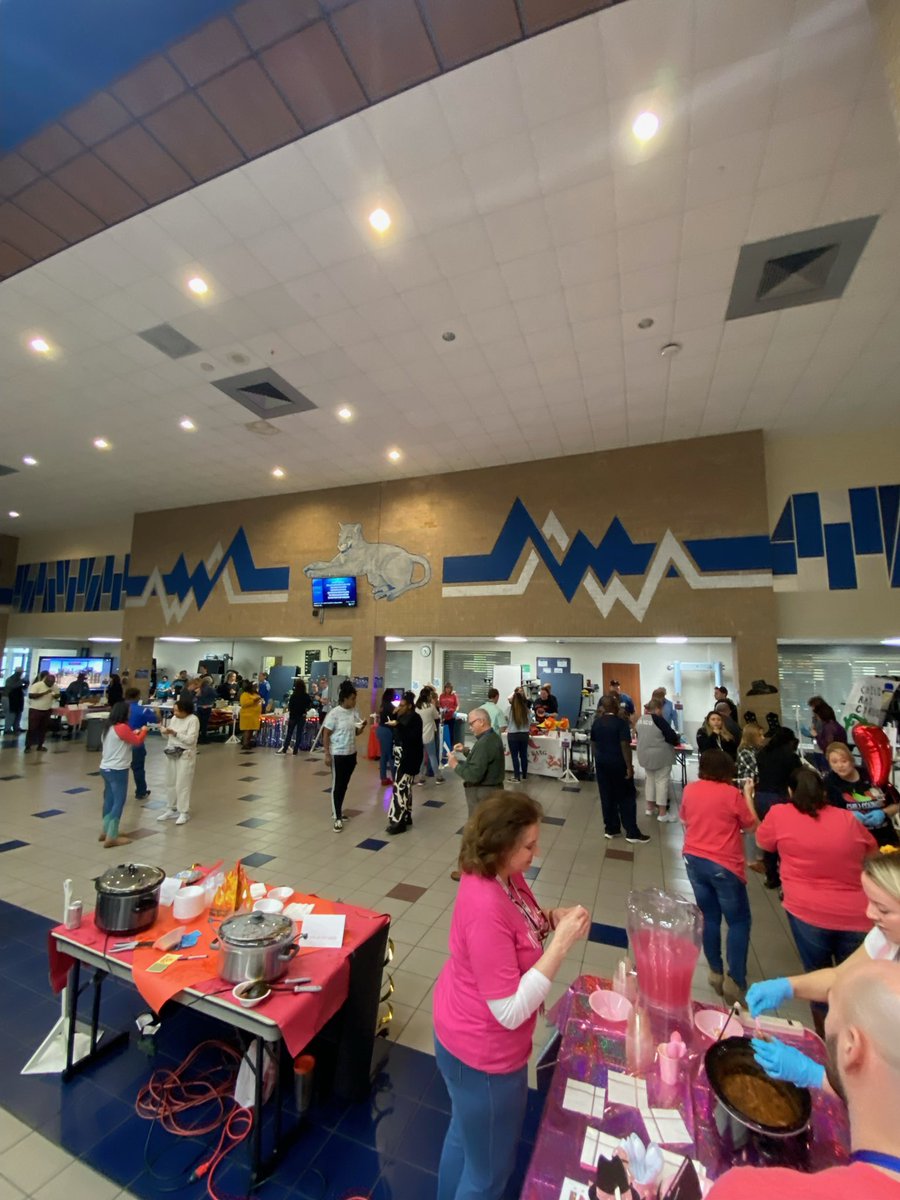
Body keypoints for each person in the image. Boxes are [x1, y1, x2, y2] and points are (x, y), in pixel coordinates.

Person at [433, 791, 590, 1200]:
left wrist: (549, 920)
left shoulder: (504, 875)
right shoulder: (484, 903)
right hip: (482, 1055)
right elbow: (508, 1009)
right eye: (529, 846)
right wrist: (560, 947)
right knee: (488, 1174)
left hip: (459, 1033)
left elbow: (518, 927)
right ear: (502, 846)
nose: (536, 853)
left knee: (462, 1137)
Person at [708, 958, 900, 1199]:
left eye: (830, 1004)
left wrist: (811, 1072)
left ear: (851, 1048)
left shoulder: (742, 1191)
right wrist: (814, 1075)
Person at [745, 850, 900, 1095]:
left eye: (883, 909)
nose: (870, 914)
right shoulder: (887, 937)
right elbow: (841, 978)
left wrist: (814, 1075)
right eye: (870, 902)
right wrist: (788, 985)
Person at [752, 769, 877, 1033]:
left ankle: (827, 1038)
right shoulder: (847, 819)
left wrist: (747, 798)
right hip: (857, 914)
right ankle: (855, 1036)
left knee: (817, 974)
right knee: (855, 980)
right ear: (823, 793)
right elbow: (873, 854)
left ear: (789, 793)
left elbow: (763, 841)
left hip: (806, 911)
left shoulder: (780, 815)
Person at [681, 749, 756, 1005]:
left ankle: (715, 971)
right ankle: (735, 980)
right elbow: (751, 825)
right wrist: (747, 795)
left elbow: (684, 819)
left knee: (709, 917)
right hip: (724, 865)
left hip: (693, 860)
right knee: (738, 921)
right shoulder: (731, 794)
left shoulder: (690, 790)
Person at [447, 709, 506, 880]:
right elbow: (480, 760)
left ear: (482, 721)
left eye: (472, 723)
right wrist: (465, 750)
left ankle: (470, 870)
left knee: (475, 834)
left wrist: (455, 765)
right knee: (485, 833)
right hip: (489, 792)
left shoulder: (486, 742)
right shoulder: (490, 738)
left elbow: (473, 774)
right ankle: (483, 868)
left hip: (483, 794)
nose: (470, 727)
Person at [590, 695, 649, 844]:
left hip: (602, 764)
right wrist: (629, 766)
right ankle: (631, 832)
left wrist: (599, 758)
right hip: (618, 764)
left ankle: (611, 828)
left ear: (602, 707)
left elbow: (593, 744)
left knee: (607, 796)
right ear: (615, 706)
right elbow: (625, 746)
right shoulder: (620, 723)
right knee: (626, 797)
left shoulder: (596, 723)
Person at [825, 741, 900, 849]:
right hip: (853, 841)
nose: (840, 766)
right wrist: (846, 816)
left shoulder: (872, 775)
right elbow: (826, 813)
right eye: (834, 762)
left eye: (844, 761)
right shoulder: (829, 783)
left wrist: (883, 813)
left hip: (884, 837)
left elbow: (897, 803)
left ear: (851, 760)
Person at [755, 725, 802, 890]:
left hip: (761, 797)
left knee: (770, 839)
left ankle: (771, 876)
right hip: (780, 797)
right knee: (785, 839)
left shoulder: (762, 753)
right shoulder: (791, 757)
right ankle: (786, 875)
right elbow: (798, 777)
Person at [98, 700, 149, 847]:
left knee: (109, 799)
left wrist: (133, 733)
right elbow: (137, 742)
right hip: (118, 770)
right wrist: (144, 731)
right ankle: (112, 837)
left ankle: (106, 830)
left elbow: (123, 739)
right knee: (119, 801)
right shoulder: (122, 727)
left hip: (105, 767)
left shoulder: (108, 727)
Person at [321, 680, 364, 832]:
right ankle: (337, 816)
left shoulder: (354, 712)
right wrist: (327, 753)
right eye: (352, 698)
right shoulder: (334, 713)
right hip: (337, 754)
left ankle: (337, 809)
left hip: (351, 753)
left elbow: (356, 732)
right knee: (337, 785)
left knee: (344, 785)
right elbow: (325, 734)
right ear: (344, 698)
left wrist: (362, 728)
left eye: (355, 698)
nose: (354, 701)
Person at [156, 695, 200, 826]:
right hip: (171, 752)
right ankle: (171, 808)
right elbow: (167, 737)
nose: (175, 713)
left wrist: (175, 733)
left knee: (183, 783)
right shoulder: (174, 719)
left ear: (185, 710)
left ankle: (183, 812)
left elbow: (191, 740)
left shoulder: (193, 720)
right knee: (170, 781)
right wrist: (164, 731)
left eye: (177, 711)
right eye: (174, 710)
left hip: (185, 754)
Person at [635, 697, 680, 822]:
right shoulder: (659, 720)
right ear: (658, 709)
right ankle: (662, 813)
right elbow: (672, 737)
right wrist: (676, 739)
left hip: (644, 756)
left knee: (649, 780)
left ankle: (649, 808)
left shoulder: (640, 719)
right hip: (661, 757)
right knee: (662, 782)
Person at [386, 691, 424, 834]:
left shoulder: (414, 719)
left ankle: (398, 821)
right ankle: (406, 815)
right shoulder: (402, 716)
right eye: (399, 705)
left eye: (402, 705)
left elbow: (410, 737)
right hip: (401, 756)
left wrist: (398, 725)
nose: (399, 707)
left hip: (409, 757)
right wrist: (396, 717)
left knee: (400, 787)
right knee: (405, 786)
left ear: (409, 706)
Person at [735, 722, 766, 874]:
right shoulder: (746, 752)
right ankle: (752, 859)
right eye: (760, 734)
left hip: (754, 790)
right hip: (749, 790)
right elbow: (752, 774)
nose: (763, 737)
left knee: (756, 822)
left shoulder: (757, 750)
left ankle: (759, 855)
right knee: (751, 825)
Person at [124, 686, 158, 800]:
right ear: (138, 696)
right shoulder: (142, 710)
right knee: (138, 768)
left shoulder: (119, 708)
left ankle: (116, 793)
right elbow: (157, 720)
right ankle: (141, 791)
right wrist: (157, 710)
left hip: (119, 741)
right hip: (136, 741)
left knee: (118, 767)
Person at [25, 671, 59, 752]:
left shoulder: (54, 686)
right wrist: (45, 693)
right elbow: (31, 696)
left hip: (47, 710)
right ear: (45, 680)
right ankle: (28, 747)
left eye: (53, 682)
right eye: (49, 682)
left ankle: (40, 746)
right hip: (35, 709)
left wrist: (55, 696)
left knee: (43, 729)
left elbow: (58, 695)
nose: (51, 684)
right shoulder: (37, 685)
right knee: (32, 729)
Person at [416, 686, 443, 785]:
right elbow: (437, 716)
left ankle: (421, 778)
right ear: (428, 696)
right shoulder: (430, 707)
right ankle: (438, 777)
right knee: (432, 756)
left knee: (421, 758)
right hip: (429, 735)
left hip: (419, 736)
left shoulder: (417, 707)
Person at [279, 678, 313, 755]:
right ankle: (295, 750)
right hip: (301, 716)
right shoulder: (306, 696)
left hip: (293, 716)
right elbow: (310, 705)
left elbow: (290, 706)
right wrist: (305, 710)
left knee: (289, 733)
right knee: (299, 733)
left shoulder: (293, 696)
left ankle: (285, 749)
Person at [505, 688, 532, 783]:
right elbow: (530, 723)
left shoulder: (509, 710)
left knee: (515, 757)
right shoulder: (527, 710)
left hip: (513, 735)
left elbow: (506, 721)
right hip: (524, 735)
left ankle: (517, 777)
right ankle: (524, 775)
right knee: (523, 755)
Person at [375, 687, 396, 783]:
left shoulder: (382, 705)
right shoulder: (391, 707)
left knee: (383, 755)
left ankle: (383, 777)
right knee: (390, 755)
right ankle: (395, 778)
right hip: (387, 731)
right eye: (394, 694)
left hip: (380, 729)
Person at [239, 682, 263, 750]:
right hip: (247, 715)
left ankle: (248, 742)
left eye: (256, 687)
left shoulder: (256, 694)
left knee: (251, 730)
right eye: (254, 686)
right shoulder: (245, 694)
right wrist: (253, 700)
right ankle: (245, 744)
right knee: (247, 730)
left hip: (254, 716)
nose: (255, 688)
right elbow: (244, 704)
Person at [439, 682, 460, 757]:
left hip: (451, 716)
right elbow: (439, 705)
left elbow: (457, 705)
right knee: (443, 733)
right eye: (446, 688)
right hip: (443, 716)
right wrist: (442, 709)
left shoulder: (454, 696)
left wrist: (455, 711)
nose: (448, 689)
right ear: (445, 688)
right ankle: (443, 749)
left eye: (449, 688)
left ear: (451, 688)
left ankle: (450, 749)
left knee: (451, 733)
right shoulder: (441, 696)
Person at [195, 674, 217, 743]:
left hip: (199, 707)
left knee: (199, 723)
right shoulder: (210, 688)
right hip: (207, 707)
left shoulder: (199, 688)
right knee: (204, 723)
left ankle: (197, 737)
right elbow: (215, 695)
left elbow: (196, 697)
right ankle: (203, 738)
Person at [4, 667, 25, 734]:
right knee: (11, 714)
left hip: (18, 699)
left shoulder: (20, 680)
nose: (19, 674)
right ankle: (7, 729)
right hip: (9, 698)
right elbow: (12, 687)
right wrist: (21, 682)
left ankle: (16, 727)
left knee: (19, 713)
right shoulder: (10, 679)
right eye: (19, 673)